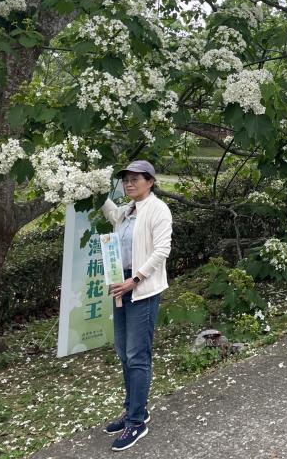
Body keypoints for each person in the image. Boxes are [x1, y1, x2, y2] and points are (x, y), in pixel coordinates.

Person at [101, 160, 173, 452]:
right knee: (123, 352)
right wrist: (91, 189)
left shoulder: (158, 209)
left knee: (137, 354)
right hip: (121, 285)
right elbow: (110, 213)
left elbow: (162, 251)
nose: (129, 184)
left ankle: (136, 423)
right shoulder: (127, 211)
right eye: (126, 180)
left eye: (135, 179)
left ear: (150, 181)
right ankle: (135, 410)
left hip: (142, 288)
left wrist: (136, 280)